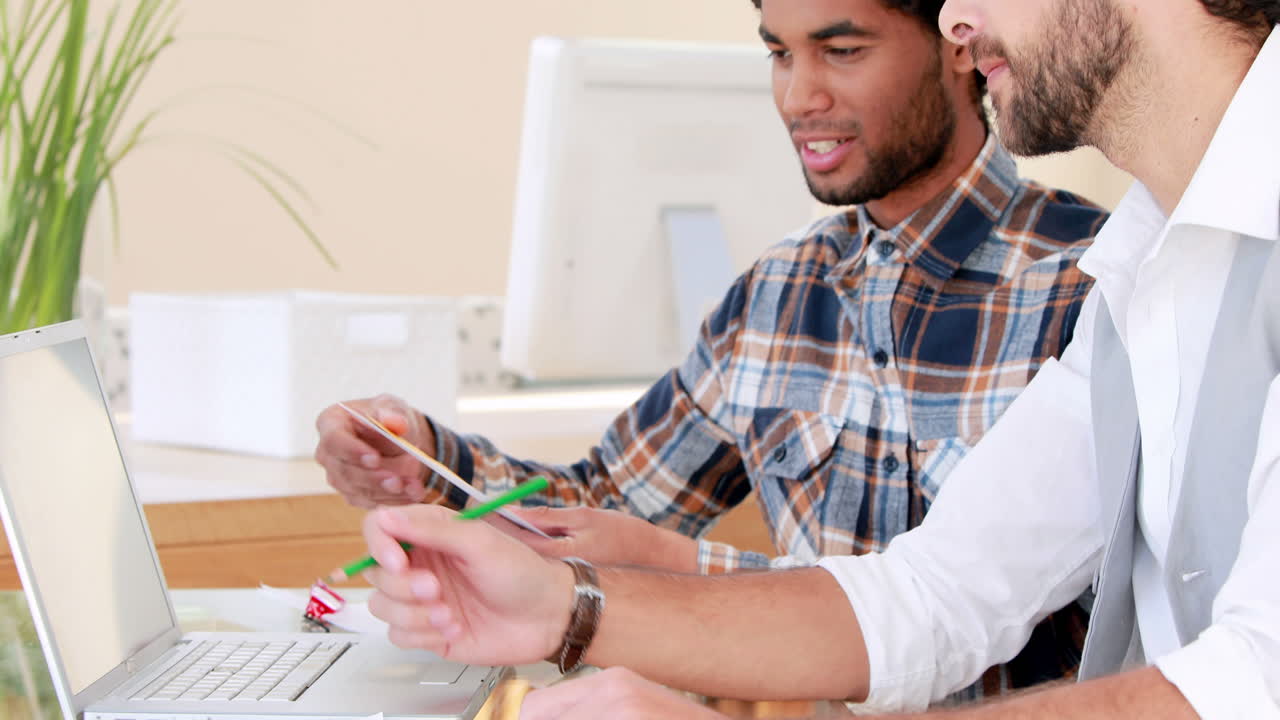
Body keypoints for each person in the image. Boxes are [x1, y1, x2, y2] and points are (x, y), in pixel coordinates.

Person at [351, 0, 1280, 716]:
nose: (960, 19)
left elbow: (1255, 684)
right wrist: (562, 606)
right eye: (780, 51)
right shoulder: (1146, 271)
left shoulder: (1090, 269)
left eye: (842, 48)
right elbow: (936, 592)